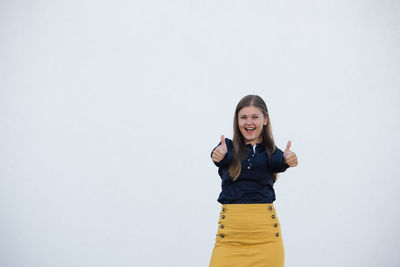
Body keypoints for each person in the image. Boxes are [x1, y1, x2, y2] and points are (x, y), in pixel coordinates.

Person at [208, 95, 298, 267]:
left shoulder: (271, 152)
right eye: (243, 117)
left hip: (266, 239)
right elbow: (219, 156)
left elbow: (278, 162)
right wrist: (217, 153)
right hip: (230, 239)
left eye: (255, 117)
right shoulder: (228, 148)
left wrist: (288, 160)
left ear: (265, 120)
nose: (249, 122)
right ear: (237, 121)